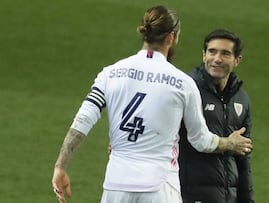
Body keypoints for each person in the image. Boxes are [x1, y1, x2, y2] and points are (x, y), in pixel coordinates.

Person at [51, 6, 252, 203]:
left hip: (116, 185)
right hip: (160, 187)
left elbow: (83, 119)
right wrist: (229, 143)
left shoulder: (110, 73)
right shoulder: (182, 83)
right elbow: (201, 140)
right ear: (172, 37)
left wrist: (60, 166)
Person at [178, 29, 254, 203]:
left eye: (225, 53)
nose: (217, 59)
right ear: (204, 55)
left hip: (227, 198)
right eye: (212, 52)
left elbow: (243, 157)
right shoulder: (186, 91)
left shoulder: (241, 99)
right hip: (190, 195)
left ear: (237, 60)